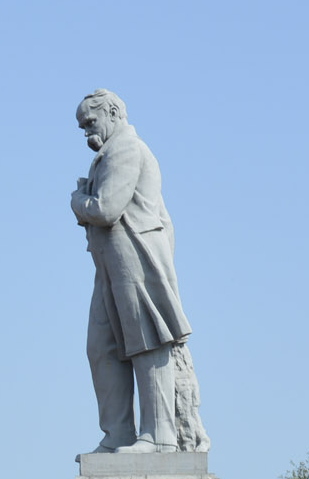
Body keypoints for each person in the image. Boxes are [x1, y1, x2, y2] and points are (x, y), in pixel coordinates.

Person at [69, 89, 209, 453]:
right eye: (82, 126)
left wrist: (78, 201)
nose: (87, 132)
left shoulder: (126, 149)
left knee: (147, 343)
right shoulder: (107, 154)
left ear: (113, 112)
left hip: (136, 256)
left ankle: (159, 436)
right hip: (110, 263)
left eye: (91, 122)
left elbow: (106, 209)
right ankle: (118, 433)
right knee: (102, 347)